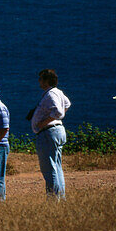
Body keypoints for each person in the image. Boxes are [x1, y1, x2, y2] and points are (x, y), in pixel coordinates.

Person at [31, 69, 71, 198]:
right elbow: (67, 104)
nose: (39, 81)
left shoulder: (51, 94)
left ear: (47, 80)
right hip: (57, 130)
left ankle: (54, 199)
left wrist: (44, 122)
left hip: (49, 132)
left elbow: (59, 112)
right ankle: (60, 197)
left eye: (41, 78)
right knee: (57, 167)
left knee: (49, 169)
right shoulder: (58, 92)